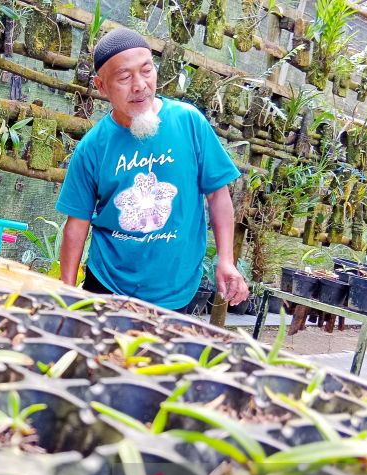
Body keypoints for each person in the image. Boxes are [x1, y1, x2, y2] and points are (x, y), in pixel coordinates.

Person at [56, 27, 249, 312]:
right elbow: (77, 224)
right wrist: (66, 294)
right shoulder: (93, 147)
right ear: (101, 85)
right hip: (109, 284)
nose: (139, 85)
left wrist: (226, 260)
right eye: (124, 77)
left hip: (176, 289)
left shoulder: (189, 122)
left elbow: (218, 195)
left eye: (147, 70)